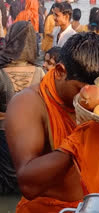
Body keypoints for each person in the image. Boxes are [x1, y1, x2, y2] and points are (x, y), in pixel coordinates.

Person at [4, 32, 99, 213]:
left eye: (98, 91)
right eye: (80, 90)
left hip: (93, 205)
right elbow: (28, 185)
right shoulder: (28, 104)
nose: (90, 99)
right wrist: (79, 140)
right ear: (61, 72)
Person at [0, 21, 45, 194]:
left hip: (4, 135)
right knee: (25, 176)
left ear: (10, 40)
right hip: (33, 135)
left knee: (8, 180)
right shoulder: (40, 72)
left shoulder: (1, 71)